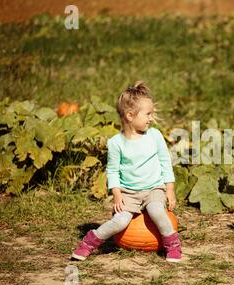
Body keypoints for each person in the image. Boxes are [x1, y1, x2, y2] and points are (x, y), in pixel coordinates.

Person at [71, 81, 181, 262]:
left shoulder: (155, 136)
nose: (151, 118)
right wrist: (116, 194)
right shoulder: (116, 143)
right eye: (148, 114)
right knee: (120, 221)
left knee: (156, 211)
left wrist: (169, 188)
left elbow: (165, 162)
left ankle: (172, 245)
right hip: (129, 193)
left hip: (154, 188)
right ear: (130, 115)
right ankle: (90, 241)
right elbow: (112, 171)